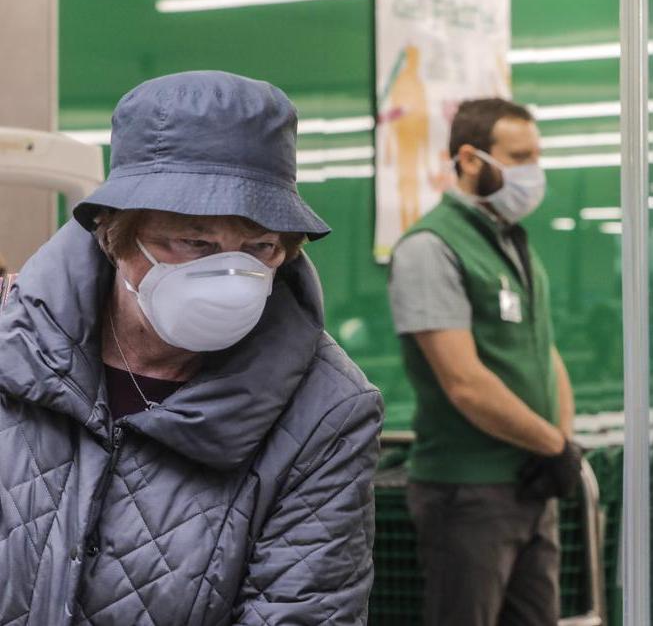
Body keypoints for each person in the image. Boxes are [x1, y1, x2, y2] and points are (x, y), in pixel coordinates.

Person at [0, 71, 384, 625]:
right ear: (114, 234)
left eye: (260, 247)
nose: (228, 273)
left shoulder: (326, 410)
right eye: (193, 241)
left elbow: (301, 609)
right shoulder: (13, 346)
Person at [388, 97, 580, 626]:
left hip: (530, 480)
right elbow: (464, 382)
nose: (533, 171)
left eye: (536, 156)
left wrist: (557, 442)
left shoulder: (512, 242)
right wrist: (554, 445)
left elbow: (544, 349)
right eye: (519, 156)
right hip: (467, 493)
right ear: (471, 160)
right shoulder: (430, 248)